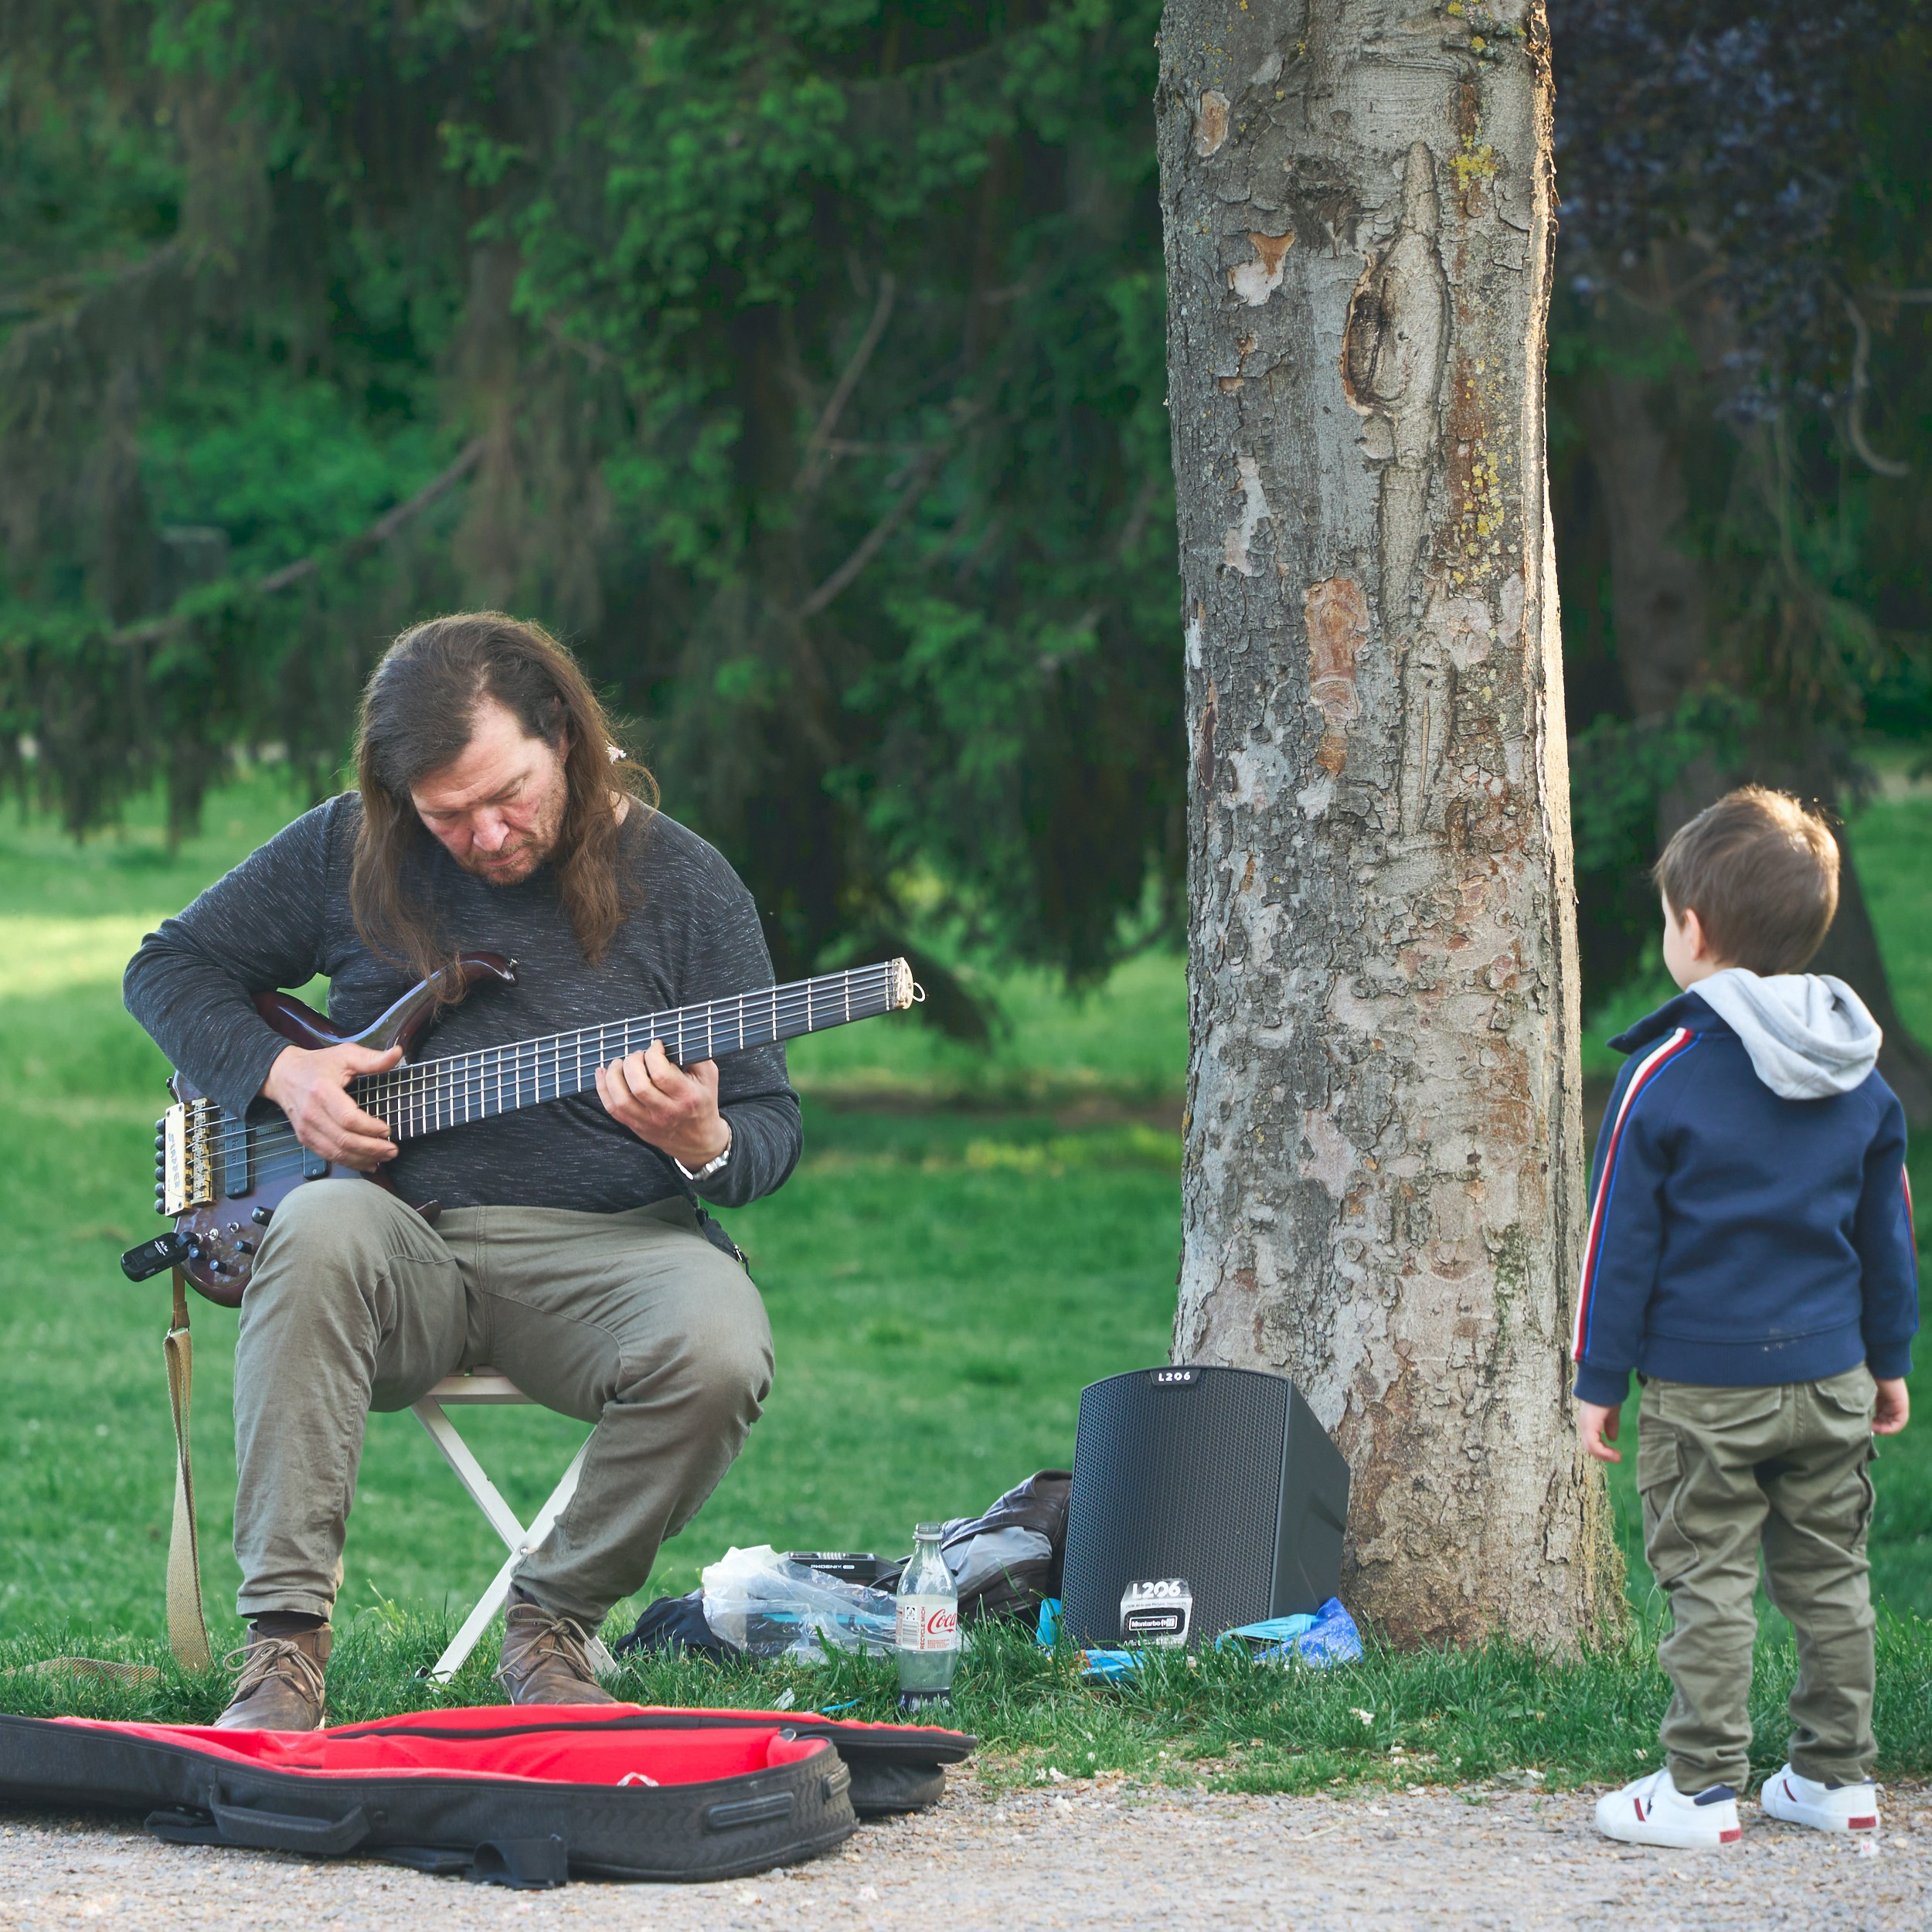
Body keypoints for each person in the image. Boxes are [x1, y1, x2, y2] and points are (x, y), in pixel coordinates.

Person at [124, 612, 799, 1728]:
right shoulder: (352, 848)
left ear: (564, 739)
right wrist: (284, 1076)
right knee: (322, 1225)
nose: (487, 835)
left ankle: (550, 1626)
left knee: (721, 1342)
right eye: (448, 815)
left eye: (509, 796)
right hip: (398, 1252)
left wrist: (704, 1142)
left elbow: (770, 1125)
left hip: (615, 1250)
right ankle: (284, 1653)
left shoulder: (685, 884)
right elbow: (168, 968)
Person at [1573, 787, 1918, 1849]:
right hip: (1831, 1381)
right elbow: (1888, 1235)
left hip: (1704, 1391)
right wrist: (1889, 1360)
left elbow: (1616, 1246)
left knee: (1708, 1579)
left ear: (1694, 932)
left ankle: (1701, 1787)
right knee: (1830, 1582)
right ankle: (1834, 1777)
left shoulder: (1660, 1077)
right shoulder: (1859, 1077)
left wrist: (1597, 1380)